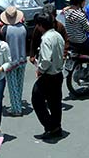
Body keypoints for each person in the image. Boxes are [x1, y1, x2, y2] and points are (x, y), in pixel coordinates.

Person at [32, 12, 65, 140]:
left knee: (37, 99)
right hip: (58, 74)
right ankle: (56, 127)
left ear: (41, 26)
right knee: (55, 102)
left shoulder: (46, 39)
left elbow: (45, 60)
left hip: (48, 75)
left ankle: (50, 126)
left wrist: (40, 70)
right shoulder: (57, 35)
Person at [0, 6, 27, 116]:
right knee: (19, 84)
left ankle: (16, 109)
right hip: (22, 58)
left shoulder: (5, 30)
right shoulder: (23, 28)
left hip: (11, 61)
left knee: (12, 85)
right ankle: (18, 104)